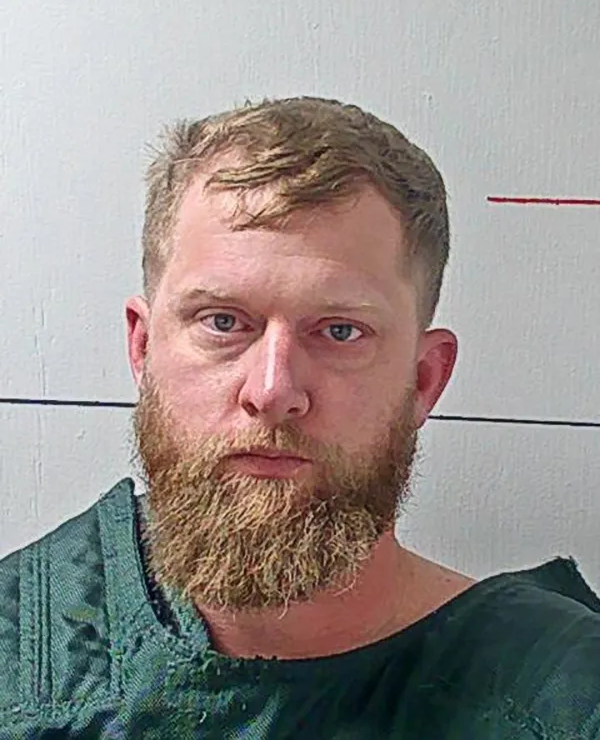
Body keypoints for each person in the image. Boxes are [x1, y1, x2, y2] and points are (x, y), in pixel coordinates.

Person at [0, 96, 598, 738]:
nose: (273, 390)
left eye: (340, 331)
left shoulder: (562, 701)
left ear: (424, 379)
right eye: (223, 322)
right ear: (143, 349)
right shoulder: (22, 651)